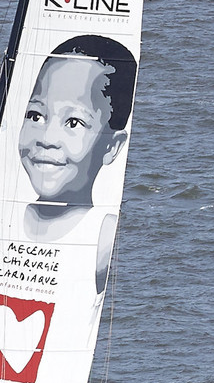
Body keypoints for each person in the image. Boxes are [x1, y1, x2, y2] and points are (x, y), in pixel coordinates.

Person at [14, 36, 138, 292]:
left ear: (111, 147)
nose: (47, 139)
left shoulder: (101, 236)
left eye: (73, 123)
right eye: (36, 116)